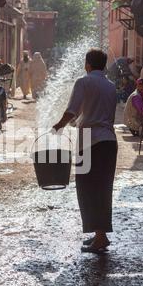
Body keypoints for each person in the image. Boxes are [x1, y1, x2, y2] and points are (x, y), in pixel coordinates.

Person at [53, 48, 118, 254]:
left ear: (87, 64)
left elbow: (72, 110)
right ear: (104, 65)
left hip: (90, 142)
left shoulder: (84, 81)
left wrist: (58, 126)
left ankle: (99, 237)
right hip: (109, 141)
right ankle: (100, 235)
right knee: (103, 189)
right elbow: (95, 112)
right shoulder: (111, 86)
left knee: (88, 190)